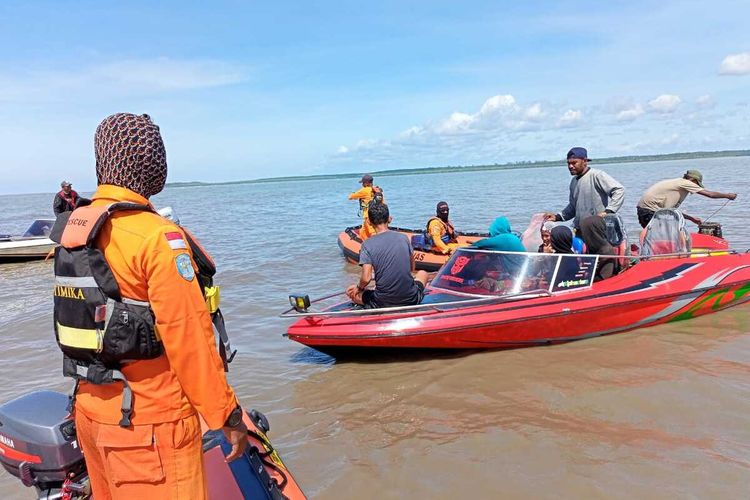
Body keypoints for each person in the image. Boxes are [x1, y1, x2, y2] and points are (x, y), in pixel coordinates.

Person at [52, 113, 247, 498]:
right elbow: (189, 340)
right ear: (151, 163)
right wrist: (228, 415)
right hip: (151, 427)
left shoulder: (75, 230)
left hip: (92, 415)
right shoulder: (157, 237)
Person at [346, 201, 428, 308]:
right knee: (423, 273)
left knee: (350, 291)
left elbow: (366, 278)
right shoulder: (403, 238)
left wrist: (359, 288)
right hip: (411, 298)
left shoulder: (367, 245)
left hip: (382, 303)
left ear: (369, 222)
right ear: (389, 219)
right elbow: (412, 268)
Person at [545, 147, 625, 230]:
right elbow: (573, 207)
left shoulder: (596, 175)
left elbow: (619, 190)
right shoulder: (574, 181)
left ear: (585, 161)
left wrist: (608, 212)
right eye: (568, 163)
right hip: (580, 229)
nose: (570, 166)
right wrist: (557, 217)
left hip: (598, 228)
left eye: (574, 163)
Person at [636, 170, 737, 228]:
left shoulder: (677, 184)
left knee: (661, 235)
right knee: (663, 236)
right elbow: (710, 194)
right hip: (650, 211)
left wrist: (691, 218)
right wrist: (728, 196)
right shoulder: (686, 183)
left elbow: (670, 211)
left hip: (644, 210)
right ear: (693, 180)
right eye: (697, 185)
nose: (696, 187)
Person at [578, 215, 618, 281]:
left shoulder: (607, 252)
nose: (582, 234)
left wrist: (584, 280)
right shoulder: (591, 248)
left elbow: (604, 278)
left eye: (584, 232)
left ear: (592, 232)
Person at [348, 173, 384, 240]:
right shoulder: (377, 191)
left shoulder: (364, 190)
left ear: (366, 183)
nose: (362, 184)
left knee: (372, 232)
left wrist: (354, 193)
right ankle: (365, 244)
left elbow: (350, 197)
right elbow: (383, 202)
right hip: (379, 214)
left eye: (363, 183)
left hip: (369, 216)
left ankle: (377, 246)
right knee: (363, 232)